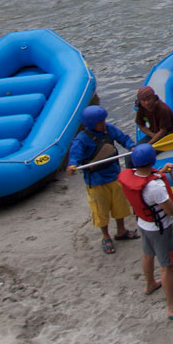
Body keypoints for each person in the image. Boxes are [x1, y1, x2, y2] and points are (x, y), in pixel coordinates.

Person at [117, 144, 173, 321]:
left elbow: (147, 177)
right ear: (152, 160)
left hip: (144, 223)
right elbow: (170, 211)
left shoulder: (131, 176)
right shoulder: (155, 187)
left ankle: (150, 283)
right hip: (160, 228)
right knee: (167, 266)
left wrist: (162, 172)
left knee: (147, 254)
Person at [66, 105, 135, 253]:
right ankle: (105, 236)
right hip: (96, 182)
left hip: (114, 175)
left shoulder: (109, 129)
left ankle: (121, 231)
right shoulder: (81, 139)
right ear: (91, 123)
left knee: (120, 206)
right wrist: (72, 165)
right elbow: (75, 155)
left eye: (103, 120)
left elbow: (123, 138)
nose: (103, 123)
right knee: (101, 211)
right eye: (100, 121)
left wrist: (131, 147)